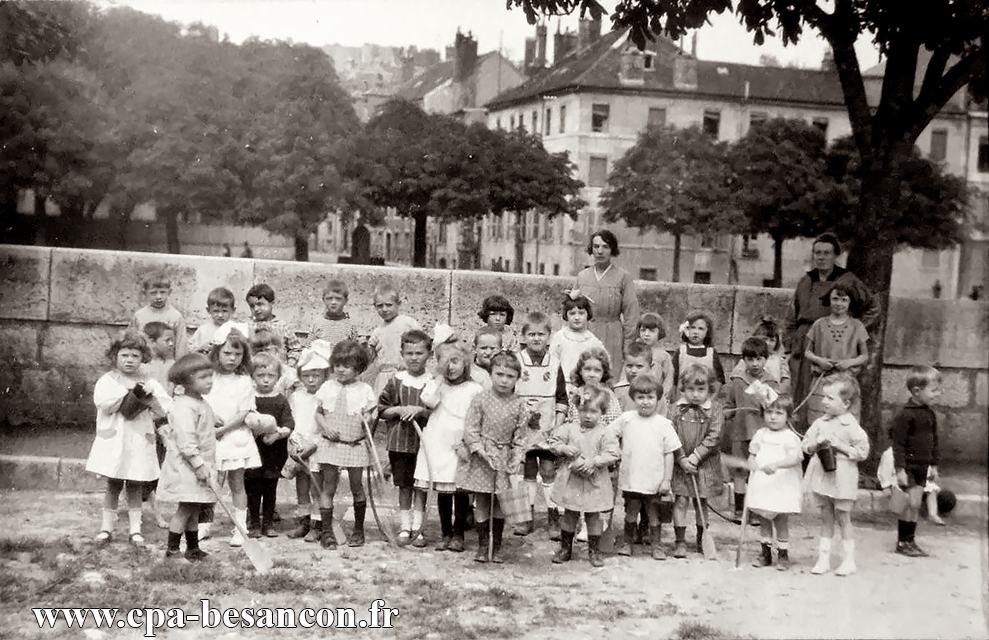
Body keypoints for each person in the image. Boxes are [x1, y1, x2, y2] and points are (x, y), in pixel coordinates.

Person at [86, 331, 171, 546]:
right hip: (116, 439)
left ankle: (135, 530)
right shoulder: (108, 380)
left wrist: (149, 397)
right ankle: (106, 528)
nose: (130, 360)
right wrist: (129, 393)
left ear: (143, 358)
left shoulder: (148, 381)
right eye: (124, 355)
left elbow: (165, 406)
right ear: (115, 355)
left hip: (139, 440)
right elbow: (104, 402)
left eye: (135, 355)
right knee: (113, 482)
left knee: (135, 483)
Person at [786, 233, 878, 431]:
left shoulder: (847, 280)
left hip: (832, 346)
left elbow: (873, 308)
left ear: (836, 255)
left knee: (831, 394)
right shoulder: (805, 280)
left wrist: (850, 331)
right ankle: (803, 444)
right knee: (801, 393)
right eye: (817, 253)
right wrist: (791, 342)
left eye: (826, 253)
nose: (821, 257)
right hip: (805, 343)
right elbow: (792, 314)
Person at [456, 351, 529, 563]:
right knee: (482, 500)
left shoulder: (519, 404)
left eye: (510, 376)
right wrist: (479, 450)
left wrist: (517, 457)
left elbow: (521, 436)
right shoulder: (480, 399)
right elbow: (471, 429)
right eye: (499, 374)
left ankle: (496, 546)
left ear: (517, 378)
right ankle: (482, 545)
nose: (504, 380)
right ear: (491, 375)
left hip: (504, 457)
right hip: (482, 457)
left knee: (500, 502)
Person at [412, 336, 483, 550]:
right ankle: (445, 532)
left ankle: (458, 532)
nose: (450, 367)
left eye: (455, 361)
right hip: (437, 441)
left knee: (459, 490)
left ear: (465, 364)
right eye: (445, 362)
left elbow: (475, 419)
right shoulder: (436, 386)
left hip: (460, 443)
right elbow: (429, 401)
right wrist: (439, 379)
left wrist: (468, 442)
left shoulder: (474, 389)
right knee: (442, 489)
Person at [546, 382, 621, 568]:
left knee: (593, 517)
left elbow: (613, 453)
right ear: (578, 410)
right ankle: (565, 548)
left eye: (593, 411)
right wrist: (563, 448)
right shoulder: (570, 428)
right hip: (572, 480)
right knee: (570, 514)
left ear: (602, 412)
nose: (588, 416)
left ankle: (594, 551)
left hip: (595, 481)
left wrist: (595, 461)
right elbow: (552, 441)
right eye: (584, 410)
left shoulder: (605, 432)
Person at [802, 373, 870, 576]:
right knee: (826, 516)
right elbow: (805, 445)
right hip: (823, 475)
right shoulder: (820, 423)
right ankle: (823, 559)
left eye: (830, 398)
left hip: (843, 477)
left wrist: (840, 446)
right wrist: (815, 443)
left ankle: (848, 560)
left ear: (846, 403)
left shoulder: (852, 427)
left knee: (843, 516)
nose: (824, 401)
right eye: (824, 397)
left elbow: (862, 452)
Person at [313, 340, 377, 549]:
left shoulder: (365, 389)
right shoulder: (327, 387)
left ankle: (358, 530)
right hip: (331, 445)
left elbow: (371, 414)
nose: (341, 369)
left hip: (354, 445)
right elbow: (318, 413)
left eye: (347, 366)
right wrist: (325, 427)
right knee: (328, 487)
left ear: (358, 368)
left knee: (357, 487)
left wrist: (368, 417)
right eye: (338, 364)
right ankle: (327, 532)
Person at [610, 374, 681, 560]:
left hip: (654, 480)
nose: (645, 402)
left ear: (658, 399)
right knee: (631, 512)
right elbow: (609, 434)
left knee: (653, 514)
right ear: (633, 399)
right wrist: (614, 452)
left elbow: (669, 453)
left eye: (650, 398)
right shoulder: (626, 419)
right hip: (632, 478)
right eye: (640, 397)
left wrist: (666, 479)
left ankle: (656, 546)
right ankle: (627, 542)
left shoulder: (664, 424)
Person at [203, 323, 259, 547]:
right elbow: (200, 400)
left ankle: (240, 526)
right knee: (210, 482)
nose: (232, 358)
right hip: (209, 435)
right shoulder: (209, 377)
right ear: (217, 352)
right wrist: (209, 417)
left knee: (237, 482)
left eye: (238, 354)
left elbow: (244, 412)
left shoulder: (244, 380)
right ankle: (204, 524)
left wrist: (223, 430)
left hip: (235, 436)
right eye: (227, 352)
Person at [513, 312, 568, 537]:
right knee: (526, 473)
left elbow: (563, 398)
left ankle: (554, 516)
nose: (536, 338)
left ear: (549, 336)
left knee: (548, 471)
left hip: (547, 429)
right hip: (523, 430)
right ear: (524, 336)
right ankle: (525, 517)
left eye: (541, 334)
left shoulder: (555, 364)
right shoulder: (516, 361)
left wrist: (558, 425)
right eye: (532, 334)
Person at [377, 329, 434, 546]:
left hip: (425, 444)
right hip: (400, 442)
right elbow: (382, 409)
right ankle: (405, 526)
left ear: (429, 354)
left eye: (419, 353)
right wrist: (399, 410)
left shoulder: (433, 381)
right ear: (402, 354)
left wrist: (419, 411)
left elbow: (435, 413)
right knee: (404, 485)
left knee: (421, 485)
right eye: (409, 353)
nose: (414, 358)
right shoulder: (396, 381)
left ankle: (419, 528)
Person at [159, 353, 217, 561]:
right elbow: (186, 441)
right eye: (203, 377)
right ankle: (172, 550)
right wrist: (198, 464)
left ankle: (192, 548)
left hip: (200, 464)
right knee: (185, 509)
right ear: (186, 380)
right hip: (187, 466)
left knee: (194, 507)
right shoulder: (184, 406)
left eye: (211, 375)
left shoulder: (201, 403)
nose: (209, 380)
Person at [669, 364, 724, 559]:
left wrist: (696, 456)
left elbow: (714, 436)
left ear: (710, 389)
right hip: (681, 463)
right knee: (681, 500)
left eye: (701, 390)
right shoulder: (675, 409)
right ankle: (680, 541)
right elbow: (670, 435)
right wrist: (682, 458)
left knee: (701, 500)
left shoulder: (715, 410)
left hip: (704, 464)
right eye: (691, 389)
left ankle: (702, 537)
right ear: (683, 388)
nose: (695, 394)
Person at [724, 337, 782, 519]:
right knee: (740, 471)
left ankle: (757, 509)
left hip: (762, 434)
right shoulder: (737, 380)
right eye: (750, 359)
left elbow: (778, 409)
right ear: (744, 360)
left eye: (759, 359)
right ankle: (740, 510)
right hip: (741, 431)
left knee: (758, 471)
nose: (755, 364)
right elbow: (728, 404)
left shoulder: (771, 383)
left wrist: (767, 404)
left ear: (766, 359)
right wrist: (727, 412)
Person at [888, 366, 943, 556]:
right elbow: (898, 444)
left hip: (923, 466)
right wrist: (900, 469)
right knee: (908, 503)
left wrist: (933, 465)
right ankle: (902, 542)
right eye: (934, 390)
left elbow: (934, 441)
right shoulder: (905, 415)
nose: (938, 394)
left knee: (916, 505)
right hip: (909, 467)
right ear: (917, 391)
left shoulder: (930, 414)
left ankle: (910, 540)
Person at [747, 395, 803, 571]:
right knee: (764, 518)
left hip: (781, 483)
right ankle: (765, 553)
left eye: (778, 413)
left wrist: (777, 465)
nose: (772, 417)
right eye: (769, 412)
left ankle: (783, 554)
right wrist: (751, 462)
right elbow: (752, 454)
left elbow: (795, 458)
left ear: (788, 416)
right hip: (763, 483)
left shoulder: (790, 437)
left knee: (780, 519)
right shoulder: (760, 434)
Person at [803, 283, 869, 426]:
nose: (839, 303)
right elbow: (807, 352)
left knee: (845, 424)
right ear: (829, 300)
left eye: (844, 300)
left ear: (850, 302)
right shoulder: (819, 324)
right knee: (819, 422)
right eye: (835, 299)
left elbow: (864, 356)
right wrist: (820, 360)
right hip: (822, 382)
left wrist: (849, 363)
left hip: (846, 382)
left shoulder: (857, 326)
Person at [574, 229, 640, 373]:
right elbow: (572, 310)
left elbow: (631, 314)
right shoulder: (582, 276)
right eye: (596, 246)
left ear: (612, 250)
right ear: (591, 249)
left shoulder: (623, 277)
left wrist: (627, 345)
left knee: (610, 376)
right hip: (586, 333)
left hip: (613, 336)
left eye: (605, 246)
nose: (600, 251)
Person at [245, 352, 294, 538]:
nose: (265, 380)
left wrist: (276, 435)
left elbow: (289, 423)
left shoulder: (280, 400)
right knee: (253, 488)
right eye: (260, 376)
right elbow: (244, 419)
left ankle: (268, 523)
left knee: (270, 489)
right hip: (253, 450)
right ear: (253, 376)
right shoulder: (250, 398)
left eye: (270, 376)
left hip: (273, 451)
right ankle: (254, 524)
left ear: (278, 377)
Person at [284, 345, 330, 542]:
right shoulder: (296, 397)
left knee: (316, 487)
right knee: (301, 486)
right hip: (298, 446)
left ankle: (318, 524)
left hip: (317, 446)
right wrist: (294, 443)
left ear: (325, 375)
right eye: (307, 375)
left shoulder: (327, 396)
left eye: (316, 375)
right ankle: (303, 522)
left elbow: (327, 425)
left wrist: (314, 444)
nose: (311, 380)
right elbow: (293, 420)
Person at [139, 321, 176, 529]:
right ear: (151, 342)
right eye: (167, 340)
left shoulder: (169, 364)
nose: (171, 344)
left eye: (173, 340)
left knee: (156, 468)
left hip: (161, 422)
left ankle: (154, 511)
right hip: (145, 423)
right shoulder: (142, 367)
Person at [368, 284, 422, 394]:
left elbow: (422, 344)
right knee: (383, 407)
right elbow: (370, 358)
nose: (384, 309)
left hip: (405, 372)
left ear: (398, 304)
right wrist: (366, 348)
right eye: (380, 306)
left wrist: (411, 363)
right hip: (384, 376)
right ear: (375, 307)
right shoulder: (377, 331)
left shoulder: (407, 323)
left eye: (389, 305)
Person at [549, 293, 605, 392]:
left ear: (588, 314)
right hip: (562, 387)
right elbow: (551, 363)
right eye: (572, 313)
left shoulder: (593, 342)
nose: (577, 317)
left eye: (581, 313)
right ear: (566, 315)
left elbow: (601, 367)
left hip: (586, 387)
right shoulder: (560, 337)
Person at [129, 272, 188, 359]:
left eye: (163, 292)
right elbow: (131, 341)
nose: (158, 297)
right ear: (145, 293)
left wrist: (179, 367)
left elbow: (181, 345)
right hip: (144, 363)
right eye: (153, 293)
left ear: (169, 292)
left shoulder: (175, 316)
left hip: (167, 363)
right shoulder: (139, 316)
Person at [671, 311, 725, 399]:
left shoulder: (711, 353)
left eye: (701, 329)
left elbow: (719, 379)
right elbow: (673, 378)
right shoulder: (681, 352)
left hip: (705, 402)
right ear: (686, 329)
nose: (696, 332)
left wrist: (712, 399)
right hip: (682, 401)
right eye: (692, 328)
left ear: (707, 331)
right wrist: (674, 399)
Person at [246, 283, 302, 365]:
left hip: (280, 370)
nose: (256, 309)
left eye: (260, 304)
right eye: (252, 306)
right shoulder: (248, 326)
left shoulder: (282, 326)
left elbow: (295, 349)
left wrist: (290, 365)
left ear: (272, 303)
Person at [308, 279, 358, 348]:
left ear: (345, 301)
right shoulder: (317, 324)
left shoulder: (350, 326)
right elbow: (309, 349)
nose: (333, 302)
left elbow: (354, 351)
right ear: (323, 300)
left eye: (338, 299)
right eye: (329, 298)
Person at [636, 312, 674, 402]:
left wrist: (662, 397)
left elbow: (669, 379)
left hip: (656, 397)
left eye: (652, 331)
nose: (646, 334)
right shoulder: (635, 352)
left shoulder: (664, 356)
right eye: (643, 330)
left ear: (659, 332)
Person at [188, 288, 236, 356]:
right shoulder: (203, 330)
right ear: (208, 310)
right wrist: (201, 348)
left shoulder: (236, 330)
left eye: (224, 311)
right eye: (216, 311)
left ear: (233, 310)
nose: (220, 315)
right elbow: (190, 351)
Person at [751, 316, 790, 395]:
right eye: (764, 339)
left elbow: (786, 380)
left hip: (774, 395)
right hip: (754, 394)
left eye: (772, 340)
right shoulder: (750, 358)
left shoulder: (779, 360)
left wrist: (777, 391)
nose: (767, 343)